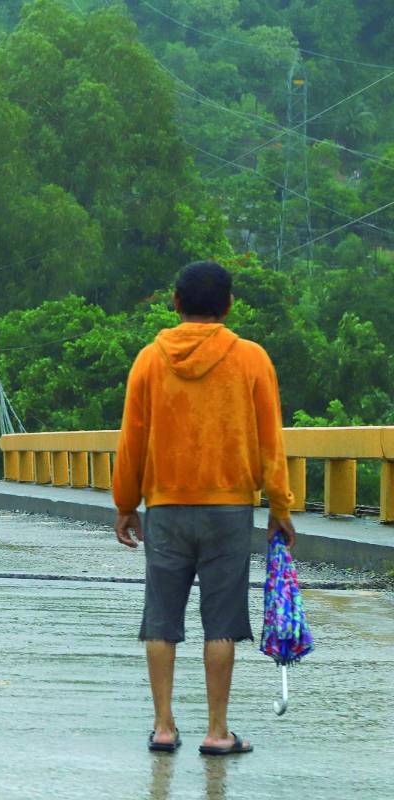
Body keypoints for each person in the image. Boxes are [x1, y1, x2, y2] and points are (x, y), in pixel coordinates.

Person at [113, 260, 296, 758]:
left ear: (175, 302)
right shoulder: (252, 359)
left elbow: (132, 439)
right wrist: (280, 505)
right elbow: (269, 441)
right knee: (222, 620)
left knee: (161, 618)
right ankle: (218, 732)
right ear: (230, 304)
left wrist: (126, 503)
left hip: (167, 508)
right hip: (229, 508)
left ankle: (164, 727)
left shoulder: (150, 360)